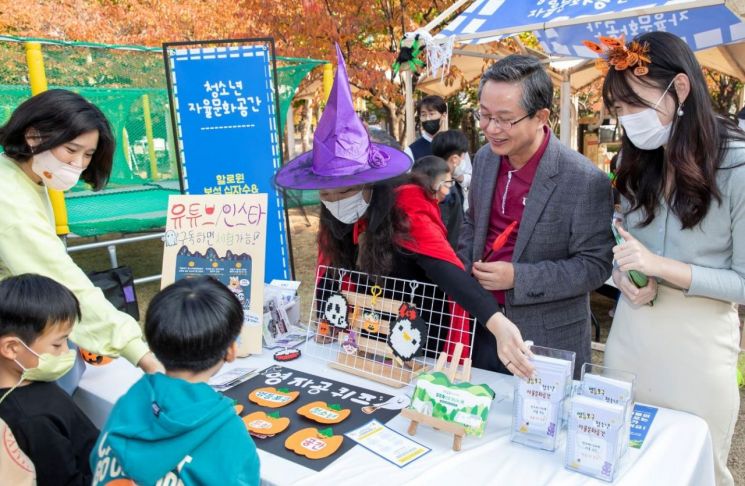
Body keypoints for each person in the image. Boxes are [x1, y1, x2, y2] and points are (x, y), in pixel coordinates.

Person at [276, 44, 534, 378]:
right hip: (368, 334)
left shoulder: (406, 203)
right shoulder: (333, 213)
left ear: (370, 182)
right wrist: (325, 323)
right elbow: (330, 270)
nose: (335, 200)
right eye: (326, 193)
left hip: (423, 336)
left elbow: (448, 271)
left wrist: (496, 322)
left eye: (345, 191)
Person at [594, 31, 745, 486]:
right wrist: (625, 275)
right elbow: (623, 247)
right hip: (630, 341)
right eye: (620, 111)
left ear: (679, 90)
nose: (628, 121)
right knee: (621, 462)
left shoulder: (736, 164)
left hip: (698, 352)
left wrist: (661, 267)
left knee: (698, 469)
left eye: (635, 105)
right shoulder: (637, 160)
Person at [458, 54, 614, 378]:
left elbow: (595, 266)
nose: (491, 128)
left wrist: (517, 277)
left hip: (546, 336)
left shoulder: (583, 179)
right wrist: (463, 273)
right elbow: (472, 223)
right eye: (484, 116)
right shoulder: (486, 158)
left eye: (504, 119)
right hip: (480, 321)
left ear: (541, 116)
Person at [0, 89, 162, 389]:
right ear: (34, 137)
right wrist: (140, 353)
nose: (79, 163)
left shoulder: (24, 176)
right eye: (71, 150)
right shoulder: (9, 198)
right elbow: (58, 277)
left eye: (88, 154)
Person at [90, 276, 260, 485]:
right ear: (231, 350)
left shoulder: (130, 401)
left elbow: (97, 459)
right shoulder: (229, 432)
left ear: (152, 345)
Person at [0, 274, 99, 485]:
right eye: (57, 344)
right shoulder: (32, 420)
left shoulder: (31, 378)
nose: (66, 352)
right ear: (11, 348)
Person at [404, 95, 473, 211]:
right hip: (426, 210)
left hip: (456, 207)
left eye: (431, 114)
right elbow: (408, 183)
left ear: (443, 115)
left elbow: (470, 177)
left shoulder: (456, 143)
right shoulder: (411, 150)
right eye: (423, 115)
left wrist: (457, 175)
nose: (427, 119)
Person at [431, 130, 470, 249]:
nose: (464, 160)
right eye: (463, 156)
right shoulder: (446, 191)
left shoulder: (433, 180)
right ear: (455, 159)